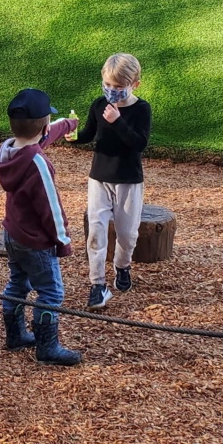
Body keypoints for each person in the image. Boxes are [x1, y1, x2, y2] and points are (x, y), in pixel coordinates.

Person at [0, 89, 81, 366]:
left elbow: (40, 138)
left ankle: (16, 335)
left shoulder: (8, 150)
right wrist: (62, 241)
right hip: (36, 242)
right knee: (51, 292)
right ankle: (47, 347)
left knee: (18, 283)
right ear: (43, 126)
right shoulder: (39, 163)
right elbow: (51, 209)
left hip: (13, 234)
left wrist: (67, 124)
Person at [70, 54, 152, 311]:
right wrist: (73, 135)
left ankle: (122, 266)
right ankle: (97, 284)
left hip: (128, 179)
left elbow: (139, 143)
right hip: (99, 178)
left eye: (118, 87)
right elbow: (89, 135)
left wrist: (117, 122)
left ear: (134, 84)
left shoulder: (141, 109)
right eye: (108, 85)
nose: (112, 91)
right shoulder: (98, 105)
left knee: (127, 234)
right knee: (96, 231)